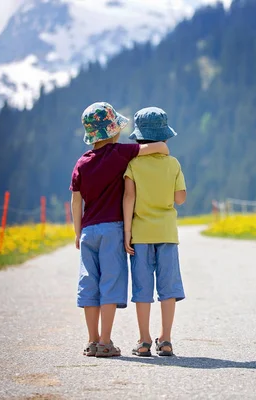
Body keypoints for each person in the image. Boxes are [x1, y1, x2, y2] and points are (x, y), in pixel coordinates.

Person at [70, 102, 170, 357]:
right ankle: (106, 341)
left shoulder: (81, 163)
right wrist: (160, 147)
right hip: (113, 229)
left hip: (88, 231)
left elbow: (76, 200)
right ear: (113, 131)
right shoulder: (120, 153)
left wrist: (77, 231)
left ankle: (92, 341)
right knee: (111, 282)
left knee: (89, 284)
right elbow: (159, 147)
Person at [123, 107, 186, 357]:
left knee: (142, 288)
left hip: (140, 234)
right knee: (167, 288)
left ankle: (144, 340)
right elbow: (180, 199)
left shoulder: (133, 164)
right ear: (165, 137)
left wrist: (127, 231)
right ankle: (167, 339)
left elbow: (128, 197)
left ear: (138, 137)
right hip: (167, 234)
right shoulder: (173, 163)